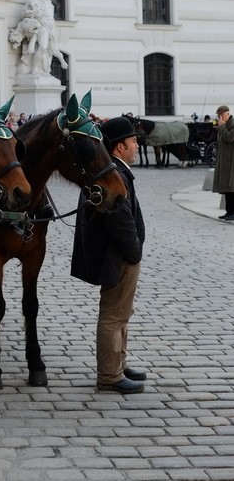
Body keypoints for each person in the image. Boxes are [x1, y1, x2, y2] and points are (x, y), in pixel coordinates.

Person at [71, 116, 146, 394]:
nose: (137, 145)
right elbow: (120, 221)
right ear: (119, 147)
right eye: (132, 141)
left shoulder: (115, 170)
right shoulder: (114, 174)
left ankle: (118, 363)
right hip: (119, 257)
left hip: (120, 255)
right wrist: (134, 251)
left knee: (122, 314)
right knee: (113, 316)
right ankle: (109, 375)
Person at [9, 0, 68, 77]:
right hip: (41, 26)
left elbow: (51, 17)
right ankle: (34, 68)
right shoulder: (34, 0)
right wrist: (33, 13)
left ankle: (46, 68)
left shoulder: (49, 3)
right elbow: (24, 12)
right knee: (43, 47)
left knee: (51, 49)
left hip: (51, 28)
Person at [212, 105, 234, 221]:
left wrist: (221, 127)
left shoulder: (232, 125)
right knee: (226, 189)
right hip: (225, 162)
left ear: (227, 114)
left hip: (231, 162)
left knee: (232, 188)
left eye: (221, 115)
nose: (219, 118)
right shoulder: (224, 126)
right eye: (218, 116)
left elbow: (230, 137)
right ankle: (228, 211)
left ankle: (233, 212)